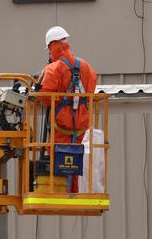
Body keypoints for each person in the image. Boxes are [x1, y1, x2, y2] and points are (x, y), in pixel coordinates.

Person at [36, 26, 97, 192]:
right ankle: (74, 192)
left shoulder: (53, 68)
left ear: (51, 46)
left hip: (60, 127)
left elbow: (44, 96)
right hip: (82, 126)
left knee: (59, 159)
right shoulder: (86, 67)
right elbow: (91, 89)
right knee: (76, 160)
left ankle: (62, 190)